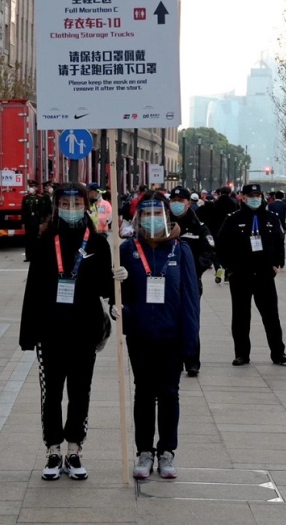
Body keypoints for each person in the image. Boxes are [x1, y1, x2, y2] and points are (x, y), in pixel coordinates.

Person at [19, 183, 122, 481]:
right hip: (50, 331)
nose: (71, 209)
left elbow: (106, 288)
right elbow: (33, 290)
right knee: (51, 394)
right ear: (56, 207)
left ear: (85, 206)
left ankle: (74, 449)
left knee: (79, 393)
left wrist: (118, 285)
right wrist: (29, 334)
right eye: (65, 204)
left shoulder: (97, 243)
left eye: (77, 204)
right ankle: (53, 450)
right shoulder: (45, 241)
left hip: (84, 330)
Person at [122, 192, 201, 480]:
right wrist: (119, 306)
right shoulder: (127, 250)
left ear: (167, 217)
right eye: (147, 214)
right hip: (140, 334)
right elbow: (121, 295)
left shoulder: (181, 250)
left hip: (171, 335)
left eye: (158, 214)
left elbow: (190, 298)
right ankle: (144, 451)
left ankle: (167, 450)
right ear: (139, 218)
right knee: (143, 392)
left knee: (169, 393)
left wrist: (190, 340)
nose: (153, 219)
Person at [215, 183, 286, 366]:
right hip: (241, 274)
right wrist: (229, 268)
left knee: (271, 315)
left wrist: (277, 264)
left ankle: (278, 352)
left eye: (257, 195)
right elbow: (221, 244)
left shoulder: (271, 218)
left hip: (265, 274)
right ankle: (242, 354)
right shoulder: (233, 218)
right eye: (251, 196)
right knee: (241, 316)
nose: (255, 199)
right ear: (243, 197)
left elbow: (279, 241)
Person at [168, 186, 215, 377]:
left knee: (190, 319)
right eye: (174, 200)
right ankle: (173, 359)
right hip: (167, 281)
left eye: (181, 200)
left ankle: (192, 360)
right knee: (169, 320)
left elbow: (209, 250)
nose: (177, 204)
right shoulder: (163, 224)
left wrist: (194, 269)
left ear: (188, 203)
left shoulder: (198, 226)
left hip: (190, 282)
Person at [21, 180, 46, 263]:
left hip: (36, 221)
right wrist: (23, 222)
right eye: (30, 187)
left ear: (36, 188)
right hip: (28, 221)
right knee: (28, 239)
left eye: (33, 187)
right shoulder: (25, 198)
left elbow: (42, 211)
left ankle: (36, 256)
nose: (31, 188)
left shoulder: (40, 198)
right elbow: (23, 211)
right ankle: (28, 256)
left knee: (36, 239)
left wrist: (41, 222)